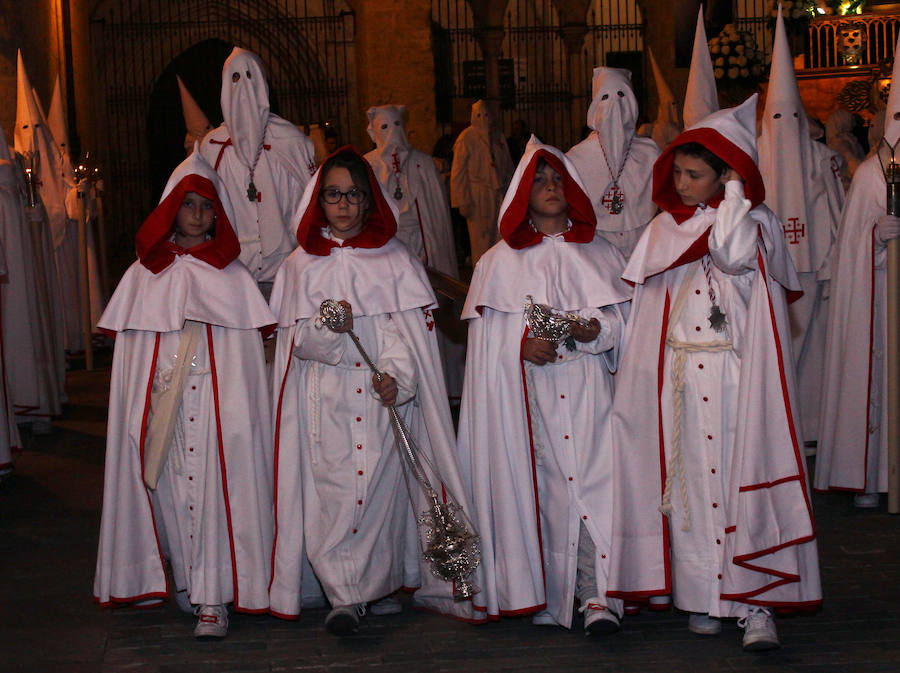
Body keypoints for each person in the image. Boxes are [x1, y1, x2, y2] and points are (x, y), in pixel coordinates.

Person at [608, 95, 822, 652]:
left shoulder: (754, 224)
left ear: (727, 175)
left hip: (736, 380)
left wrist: (733, 198)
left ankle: (755, 604)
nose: (680, 184)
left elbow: (730, 255)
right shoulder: (663, 230)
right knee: (690, 488)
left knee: (736, 480)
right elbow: (645, 314)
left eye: (694, 174)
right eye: (677, 172)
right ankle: (703, 595)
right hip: (680, 380)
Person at [268, 147, 482, 634]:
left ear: (369, 200)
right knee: (334, 496)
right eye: (333, 194)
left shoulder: (394, 261)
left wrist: (398, 380)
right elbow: (296, 344)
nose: (344, 204)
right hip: (325, 401)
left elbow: (403, 336)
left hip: (380, 403)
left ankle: (371, 588)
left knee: (377, 495)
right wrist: (328, 329)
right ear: (319, 200)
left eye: (353, 195)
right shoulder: (300, 266)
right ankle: (345, 594)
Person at [93, 148, 276, 640]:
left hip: (216, 408)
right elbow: (135, 358)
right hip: (166, 408)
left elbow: (243, 360)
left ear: (218, 214)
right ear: (170, 208)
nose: (197, 215)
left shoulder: (233, 277)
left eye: (206, 206)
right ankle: (188, 578)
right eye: (188, 204)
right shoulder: (143, 275)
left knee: (215, 495)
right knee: (172, 494)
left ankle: (212, 598)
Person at [456, 137, 630, 632]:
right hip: (529, 402)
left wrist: (597, 331)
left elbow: (626, 327)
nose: (551, 188)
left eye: (558, 179)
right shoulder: (497, 263)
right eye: (540, 181)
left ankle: (599, 595)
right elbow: (485, 349)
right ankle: (548, 589)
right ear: (521, 193)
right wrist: (520, 347)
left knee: (600, 488)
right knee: (547, 494)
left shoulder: (602, 254)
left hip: (592, 393)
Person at [815, 35, 900, 509]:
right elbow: (851, 250)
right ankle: (872, 474)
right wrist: (875, 240)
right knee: (878, 382)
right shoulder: (870, 174)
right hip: (880, 300)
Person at [757, 7, 844, 444]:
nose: (785, 126)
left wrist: (830, 261)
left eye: (791, 117)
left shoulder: (821, 159)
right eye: (777, 117)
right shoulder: (755, 155)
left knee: (814, 352)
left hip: (813, 267)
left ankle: (810, 428)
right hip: (769, 272)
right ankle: (774, 431)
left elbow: (835, 211)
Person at [364, 105, 464, 400]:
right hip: (386, 261)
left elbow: (437, 218)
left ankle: (437, 389)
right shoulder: (367, 166)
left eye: (396, 125)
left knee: (429, 325)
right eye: (384, 127)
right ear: (373, 131)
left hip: (422, 256)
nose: (392, 133)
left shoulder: (423, 164)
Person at [199, 47, 316, 296]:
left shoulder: (291, 141)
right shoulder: (212, 146)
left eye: (249, 76)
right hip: (233, 268)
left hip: (284, 265)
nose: (243, 86)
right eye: (235, 77)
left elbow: (309, 202)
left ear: (262, 83)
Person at [567, 67, 659, 260]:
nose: (614, 105)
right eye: (605, 97)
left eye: (621, 95)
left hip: (642, 249)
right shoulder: (576, 158)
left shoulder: (650, 154)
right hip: (596, 252)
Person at [451, 100, 515, 265]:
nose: (484, 119)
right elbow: (459, 172)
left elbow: (508, 166)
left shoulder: (498, 136)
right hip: (477, 194)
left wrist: (512, 192)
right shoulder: (466, 138)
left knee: (499, 235)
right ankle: (481, 272)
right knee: (481, 238)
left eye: (486, 115)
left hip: (498, 192)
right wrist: (462, 200)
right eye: (479, 115)